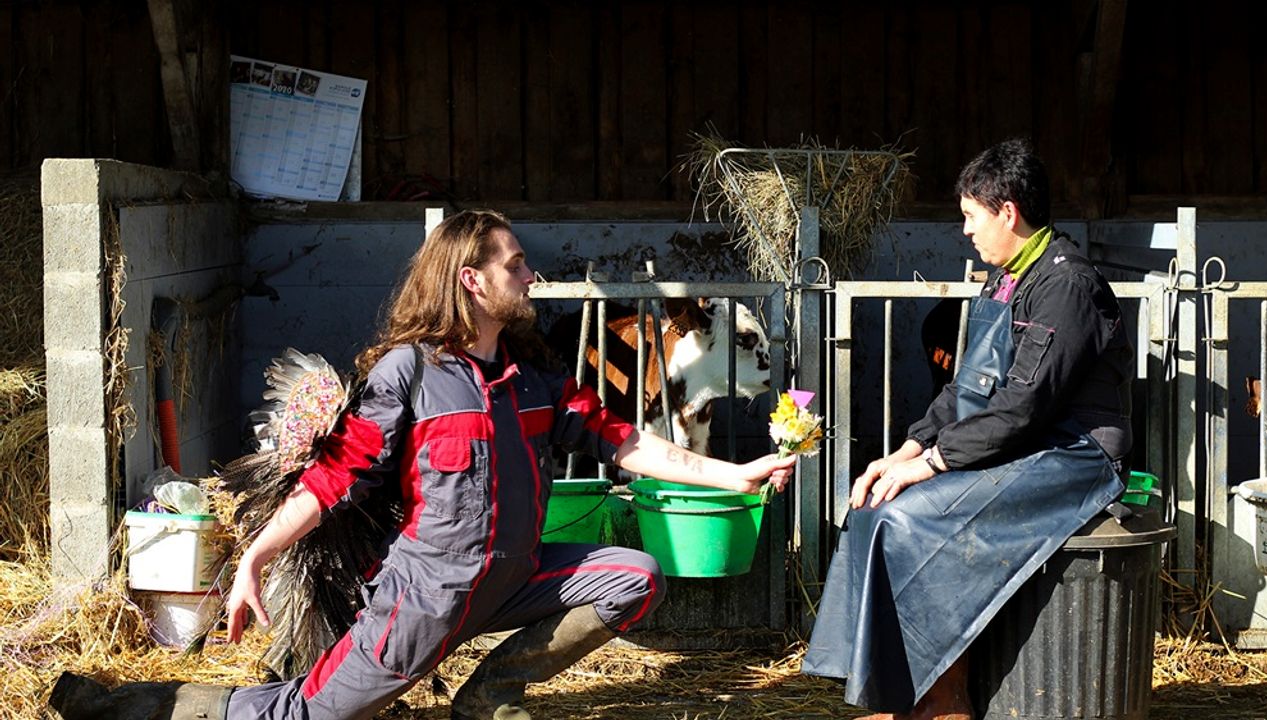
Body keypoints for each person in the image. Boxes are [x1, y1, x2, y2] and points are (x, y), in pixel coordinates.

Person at [50, 209, 795, 720]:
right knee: (302, 712)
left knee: (635, 577)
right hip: (426, 596)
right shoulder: (406, 374)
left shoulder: (534, 380)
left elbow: (624, 441)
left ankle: (489, 695)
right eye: (516, 264)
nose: (531, 275)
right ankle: (130, 706)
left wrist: (737, 474)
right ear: (471, 280)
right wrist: (258, 555)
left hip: (514, 578)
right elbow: (334, 477)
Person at [802, 138, 1133, 719]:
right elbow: (968, 388)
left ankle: (943, 701)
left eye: (971, 216)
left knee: (906, 518)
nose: (966, 231)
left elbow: (1024, 406)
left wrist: (928, 466)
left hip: (1075, 455)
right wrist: (906, 447)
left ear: (1007, 211)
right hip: (1025, 443)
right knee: (871, 508)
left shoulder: (1066, 286)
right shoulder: (1004, 279)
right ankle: (893, 691)